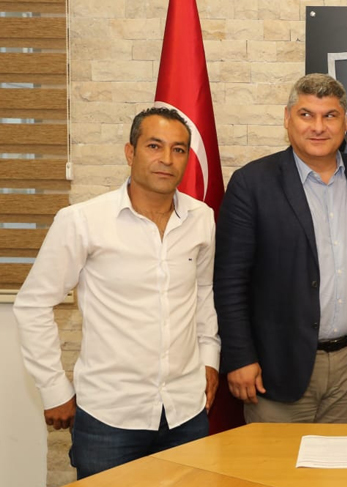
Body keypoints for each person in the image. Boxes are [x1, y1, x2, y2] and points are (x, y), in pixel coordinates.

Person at [13, 107, 221, 478]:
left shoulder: (201, 218)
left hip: (185, 413)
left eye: (178, 149)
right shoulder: (82, 221)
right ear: (130, 152)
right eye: (154, 146)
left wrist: (210, 357)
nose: (167, 158)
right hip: (109, 418)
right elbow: (33, 305)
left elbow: (203, 291)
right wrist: (53, 388)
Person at [215, 73, 347, 424]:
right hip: (276, 366)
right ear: (287, 118)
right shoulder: (252, 184)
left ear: (345, 122)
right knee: (273, 462)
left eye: (330, 116)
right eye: (306, 114)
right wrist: (240, 357)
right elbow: (229, 281)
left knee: (344, 460)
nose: (318, 127)